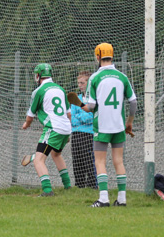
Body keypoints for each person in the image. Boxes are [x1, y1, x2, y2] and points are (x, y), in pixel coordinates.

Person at [80, 43, 137, 207]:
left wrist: (81, 106)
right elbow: (133, 102)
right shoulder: (122, 77)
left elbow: (90, 107)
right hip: (118, 126)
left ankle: (103, 198)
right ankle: (122, 199)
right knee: (118, 161)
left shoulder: (95, 78)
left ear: (98, 56)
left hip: (102, 126)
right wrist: (129, 122)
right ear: (112, 56)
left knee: (100, 161)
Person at [21, 63, 72, 197]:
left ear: (38, 76)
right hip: (66, 127)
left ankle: (47, 190)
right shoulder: (60, 89)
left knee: (38, 160)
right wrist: (67, 132)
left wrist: (26, 124)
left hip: (53, 128)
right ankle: (68, 187)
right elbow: (69, 114)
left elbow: (30, 116)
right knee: (56, 154)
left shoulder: (38, 91)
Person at [70, 70, 97, 189]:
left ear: (89, 83)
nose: (79, 85)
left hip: (89, 134)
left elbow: (90, 117)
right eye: (78, 83)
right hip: (76, 133)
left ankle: (92, 186)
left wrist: (79, 116)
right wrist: (80, 117)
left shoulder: (93, 99)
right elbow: (72, 118)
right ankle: (79, 186)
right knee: (77, 160)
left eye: (82, 83)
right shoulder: (76, 98)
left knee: (89, 161)